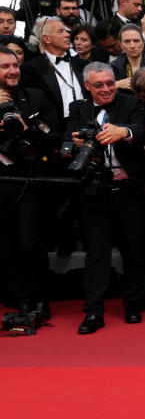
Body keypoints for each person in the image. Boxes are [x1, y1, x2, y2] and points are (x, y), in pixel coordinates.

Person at [63, 62, 145, 334]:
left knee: (134, 250)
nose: (106, 89)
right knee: (96, 253)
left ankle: (133, 305)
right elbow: (65, 142)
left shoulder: (131, 103)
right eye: (99, 85)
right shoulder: (79, 109)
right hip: (95, 192)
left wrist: (123, 133)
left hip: (130, 192)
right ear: (87, 87)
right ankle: (93, 310)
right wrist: (75, 142)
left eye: (110, 83)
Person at [0, 46, 57, 324]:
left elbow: (53, 138)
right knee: (5, 245)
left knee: (29, 243)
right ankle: (20, 300)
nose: (12, 70)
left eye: (14, 65)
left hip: (28, 181)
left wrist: (25, 128)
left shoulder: (33, 97)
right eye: (4, 66)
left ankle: (39, 302)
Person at [20, 17, 88, 135]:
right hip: (56, 132)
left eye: (66, 31)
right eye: (60, 31)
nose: (67, 35)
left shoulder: (82, 64)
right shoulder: (31, 68)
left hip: (86, 125)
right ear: (47, 38)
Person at [112, 23, 145, 92]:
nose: (132, 46)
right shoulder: (115, 66)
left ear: (143, 43)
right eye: (127, 41)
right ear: (121, 45)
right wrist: (117, 84)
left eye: (136, 41)